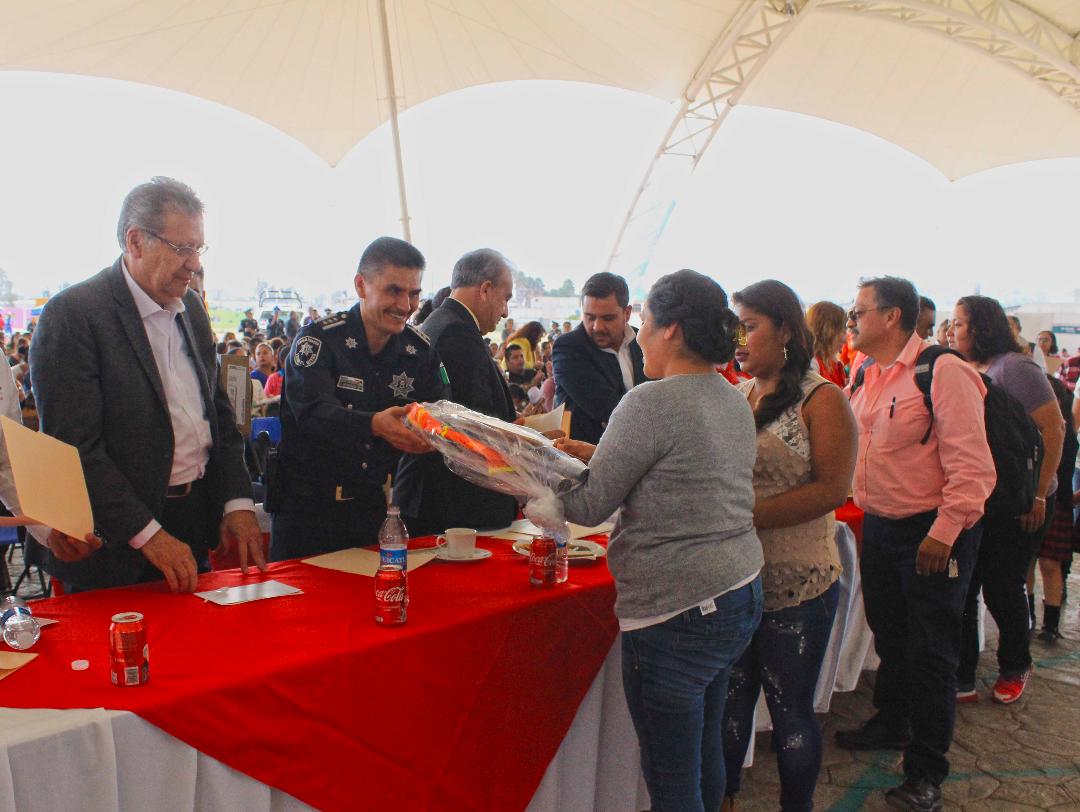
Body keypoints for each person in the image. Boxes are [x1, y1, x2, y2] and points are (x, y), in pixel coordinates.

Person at [554, 269, 762, 812]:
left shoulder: (650, 402)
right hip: (737, 589)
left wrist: (532, 471)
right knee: (703, 750)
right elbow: (680, 477)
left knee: (671, 777)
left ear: (669, 330)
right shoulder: (732, 396)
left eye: (642, 320)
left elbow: (586, 506)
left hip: (676, 609)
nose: (635, 332)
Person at [31, 177, 265, 593]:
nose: (193, 263)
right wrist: (148, 534)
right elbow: (76, 448)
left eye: (198, 248)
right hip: (116, 548)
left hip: (193, 524)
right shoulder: (74, 315)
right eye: (181, 248)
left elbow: (218, 411)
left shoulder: (192, 307)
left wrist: (237, 500)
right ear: (135, 242)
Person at [834, 277, 993, 812]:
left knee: (931, 654)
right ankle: (892, 722)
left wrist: (943, 535)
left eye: (859, 313)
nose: (851, 322)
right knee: (891, 637)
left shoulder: (943, 371)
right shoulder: (867, 371)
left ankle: (926, 772)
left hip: (931, 532)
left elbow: (973, 469)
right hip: (881, 526)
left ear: (892, 316)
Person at [722, 280, 857, 812]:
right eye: (736, 326)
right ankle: (726, 800)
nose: (739, 338)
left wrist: (741, 516)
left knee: (790, 714)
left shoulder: (823, 400)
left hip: (797, 582)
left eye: (750, 325)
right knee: (731, 705)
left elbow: (830, 490)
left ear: (783, 330)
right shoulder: (738, 396)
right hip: (736, 575)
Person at [269, 237, 444, 561]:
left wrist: (435, 435)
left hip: (372, 512)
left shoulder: (418, 352)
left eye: (414, 293)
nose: (405, 305)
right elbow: (312, 414)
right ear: (361, 286)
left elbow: (440, 412)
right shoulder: (318, 341)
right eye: (394, 290)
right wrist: (374, 425)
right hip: (308, 516)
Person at [948, 296, 1063, 703]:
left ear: (980, 327)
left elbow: (1054, 430)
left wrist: (1037, 495)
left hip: (1018, 500)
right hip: (980, 500)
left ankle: (1016, 663)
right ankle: (961, 673)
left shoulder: (1016, 367)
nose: (952, 330)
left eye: (959, 323)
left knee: (1002, 585)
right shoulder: (963, 367)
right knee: (964, 586)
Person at [393, 248, 518, 535]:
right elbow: (469, 422)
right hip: (454, 504)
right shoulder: (456, 333)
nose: (505, 312)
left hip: (441, 499)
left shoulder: (443, 321)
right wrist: (516, 430)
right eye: (506, 298)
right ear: (486, 289)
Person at [552, 272, 646, 444]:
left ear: (626, 313)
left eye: (607, 318)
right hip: (587, 462)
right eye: (590, 317)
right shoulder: (568, 348)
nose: (597, 327)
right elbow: (608, 409)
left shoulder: (643, 342)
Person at [1028, 375, 1075, 643]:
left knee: (1049, 563)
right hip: (1035, 499)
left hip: (1057, 503)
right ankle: (1029, 617)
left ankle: (1051, 624)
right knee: (1028, 562)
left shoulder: (1065, 432)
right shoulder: (1030, 427)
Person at [806, 300, 848, 387]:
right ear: (828, 332)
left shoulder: (837, 366)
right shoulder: (810, 366)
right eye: (842, 331)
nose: (845, 340)